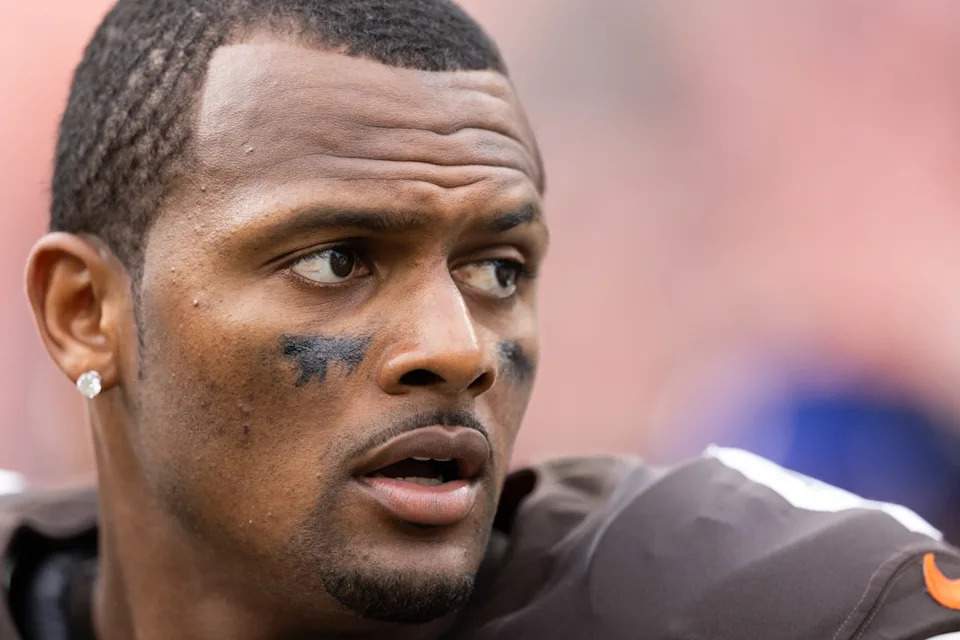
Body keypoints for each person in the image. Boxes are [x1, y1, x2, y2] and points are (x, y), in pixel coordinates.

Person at [2, 0, 960, 638]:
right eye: (337, 261)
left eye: (498, 269)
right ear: (86, 313)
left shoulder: (737, 591)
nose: (458, 348)